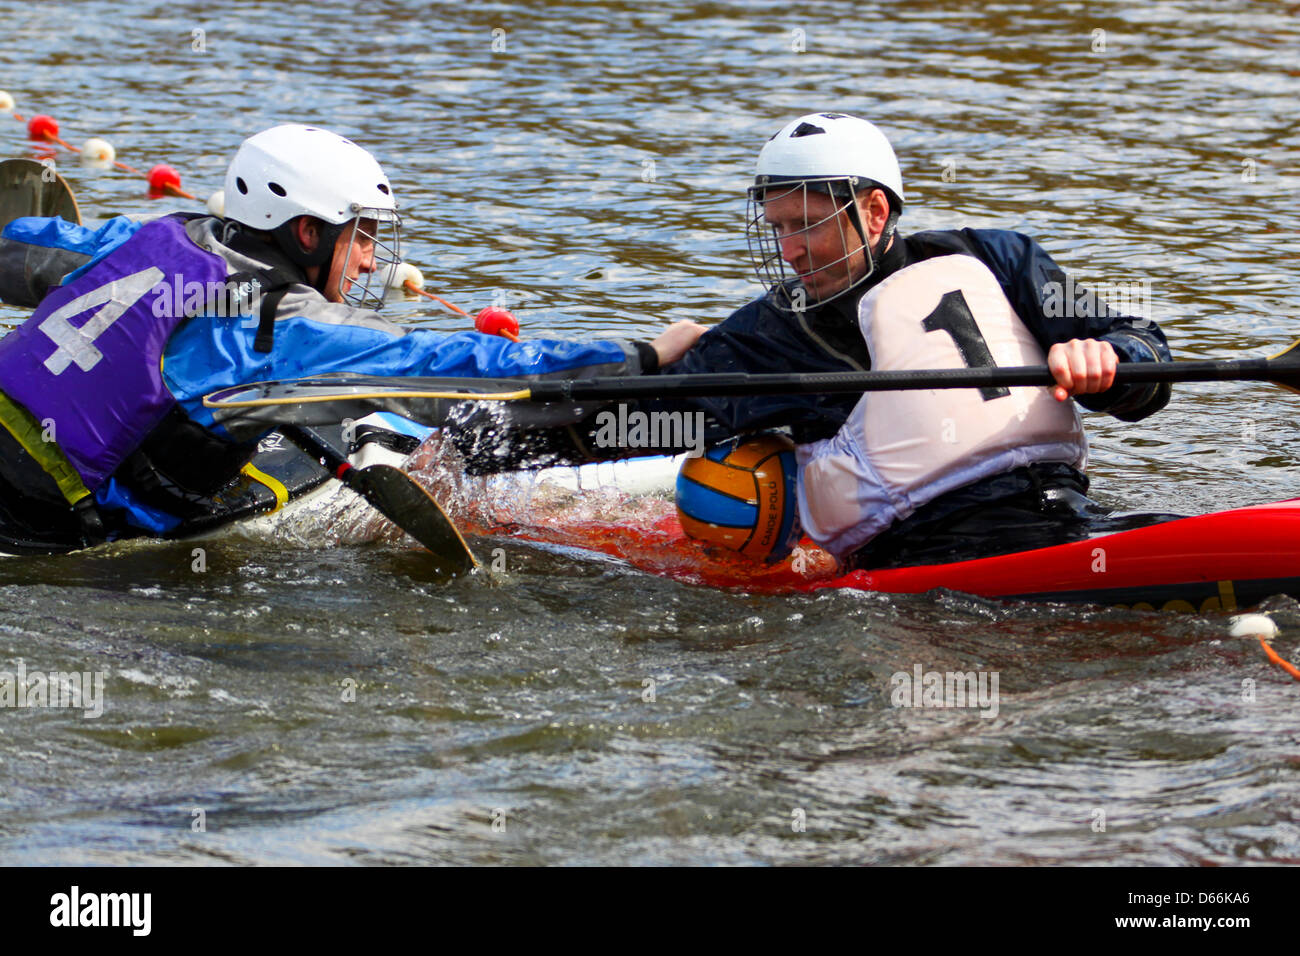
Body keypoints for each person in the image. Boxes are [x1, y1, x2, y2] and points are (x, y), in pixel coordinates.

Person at [451, 111, 1174, 568]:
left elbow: (1145, 353)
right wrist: (472, 442)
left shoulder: (999, 257)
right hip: (933, 558)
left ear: (875, 211)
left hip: (1070, 516)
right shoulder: (773, 334)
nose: (790, 251)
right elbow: (628, 423)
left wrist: (1117, 363)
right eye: (778, 229)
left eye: (806, 225)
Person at [0, 124, 701, 553]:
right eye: (361, 234)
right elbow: (447, 366)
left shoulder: (150, 235)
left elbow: (23, 244)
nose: (370, 259)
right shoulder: (284, 330)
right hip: (36, 532)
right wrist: (639, 353)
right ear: (307, 231)